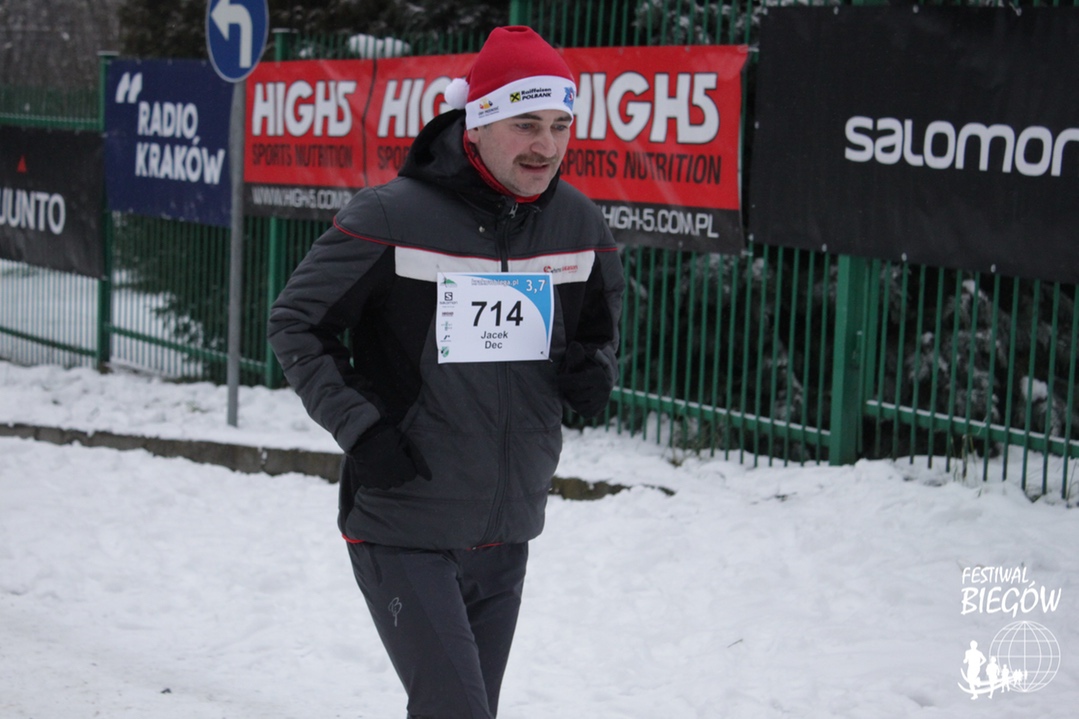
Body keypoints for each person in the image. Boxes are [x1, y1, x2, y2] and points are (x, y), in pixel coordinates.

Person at [267, 25, 624, 719]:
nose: (546, 146)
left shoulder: (578, 224)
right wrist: (363, 429)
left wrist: (593, 370)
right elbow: (297, 323)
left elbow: (598, 326)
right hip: (405, 518)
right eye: (525, 125)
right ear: (477, 123)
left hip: (508, 524)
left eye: (559, 125)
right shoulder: (391, 216)